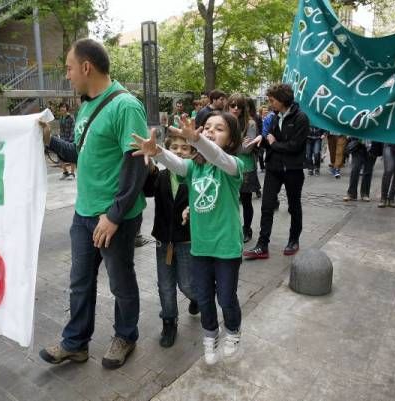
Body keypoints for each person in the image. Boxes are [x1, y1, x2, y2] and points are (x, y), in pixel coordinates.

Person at [38, 38, 149, 370]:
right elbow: (78, 153)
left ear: (86, 67)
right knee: (79, 282)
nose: (68, 75)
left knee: (120, 281)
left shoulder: (126, 106)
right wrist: (49, 140)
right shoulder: (86, 105)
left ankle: (125, 336)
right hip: (83, 214)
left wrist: (113, 216)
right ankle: (75, 344)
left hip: (115, 217)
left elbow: (136, 164)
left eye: (69, 68)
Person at [132, 111, 247, 365]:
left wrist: (197, 140)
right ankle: (210, 335)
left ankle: (233, 330)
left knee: (226, 297)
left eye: (219, 129)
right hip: (201, 247)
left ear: (230, 139)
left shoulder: (233, 166)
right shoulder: (194, 167)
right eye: (207, 127)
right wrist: (158, 152)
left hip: (226, 247)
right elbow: (178, 164)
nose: (210, 131)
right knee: (203, 297)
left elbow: (218, 157)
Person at [143, 135, 199, 348]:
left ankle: (198, 298)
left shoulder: (195, 177)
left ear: (193, 152)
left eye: (185, 148)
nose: (178, 151)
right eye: (173, 147)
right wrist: (148, 167)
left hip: (187, 240)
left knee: (186, 284)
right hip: (163, 240)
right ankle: (169, 321)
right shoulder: (161, 176)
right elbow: (147, 190)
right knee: (165, 285)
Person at [244, 83, 309, 260]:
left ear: (282, 100)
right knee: (267, 206)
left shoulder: (301, 118)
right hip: (273, 168)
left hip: (293, 170)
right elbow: (270, 139)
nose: (270, 103)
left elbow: (295, 147)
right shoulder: (274, 117)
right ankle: (262, 245)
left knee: (294, 206)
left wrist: (273, 143)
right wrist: (260, 140)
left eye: (272, 100)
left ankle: (294, 239)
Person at [226, 94, 260, 242]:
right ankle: (231, 228)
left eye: (239, 106)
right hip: (227, 164)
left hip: (245, 167)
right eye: (232, 105)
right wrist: (239, 143)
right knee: (228, 200)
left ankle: (247, 229)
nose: (235, 109)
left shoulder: (250, 123)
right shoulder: (223, 121)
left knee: (246, 200)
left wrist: (230, 144)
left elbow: (247, 149)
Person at [57, 102, 76, 180]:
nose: (62, 108)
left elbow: (73, 128)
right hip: (62, 138)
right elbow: (61, 129)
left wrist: (70, 139)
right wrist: (59, 137)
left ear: (66, 108)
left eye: (64, 107)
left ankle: (72, 173)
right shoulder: (61, 118)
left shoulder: (71, 117)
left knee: (71, 156)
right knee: (59, 155)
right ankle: (65, 172)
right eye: (61, 107)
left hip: (70, 139)